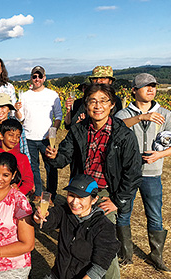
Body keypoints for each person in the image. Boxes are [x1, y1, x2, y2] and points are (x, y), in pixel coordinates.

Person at [45, 83, 142, 279]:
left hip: (105, 193)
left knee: (105, 244)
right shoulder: (78, 130)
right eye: (92, 101)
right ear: (86, 104)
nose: (98, 106)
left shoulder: (123, 135)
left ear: (112, 104)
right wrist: (54, 156)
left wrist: (117, 200)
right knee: (76, 237)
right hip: (81, 190)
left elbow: (133, 172)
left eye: (103, 101)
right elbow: (64, 156)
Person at [115, 73, 171, 271]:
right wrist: (141, 117)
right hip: (127, 174)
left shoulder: (166, 114)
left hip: (152, 173)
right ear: (134, 90)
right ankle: (125, 255)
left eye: (153, 86)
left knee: (155, 215)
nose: (151, 89)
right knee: (123, 213)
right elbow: (115, 130)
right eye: (145, 86)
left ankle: (156, 256)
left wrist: (160, 155)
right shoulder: (124, 114)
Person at [34, 174, 120, 279]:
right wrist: (39, 218)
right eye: (71, 195)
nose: (74, 202)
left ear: (94, 199)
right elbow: (51, 218)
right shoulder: (65, 212)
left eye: (81, 197)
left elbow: (100, 265)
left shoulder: (104, 226)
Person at [15, 66, 62, 202]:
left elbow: (58, 115)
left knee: (51, 167)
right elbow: (21, 118)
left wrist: (52, 132)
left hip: (46, 138)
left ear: (44, 78)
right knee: (33, 167)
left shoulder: (52, 95)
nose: (37, 79)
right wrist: (17, 110)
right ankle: (38, 193)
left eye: (40, 76)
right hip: (29, 137)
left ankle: (51, 194)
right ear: (31, 78)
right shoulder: (24, 95)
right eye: (34, 76)